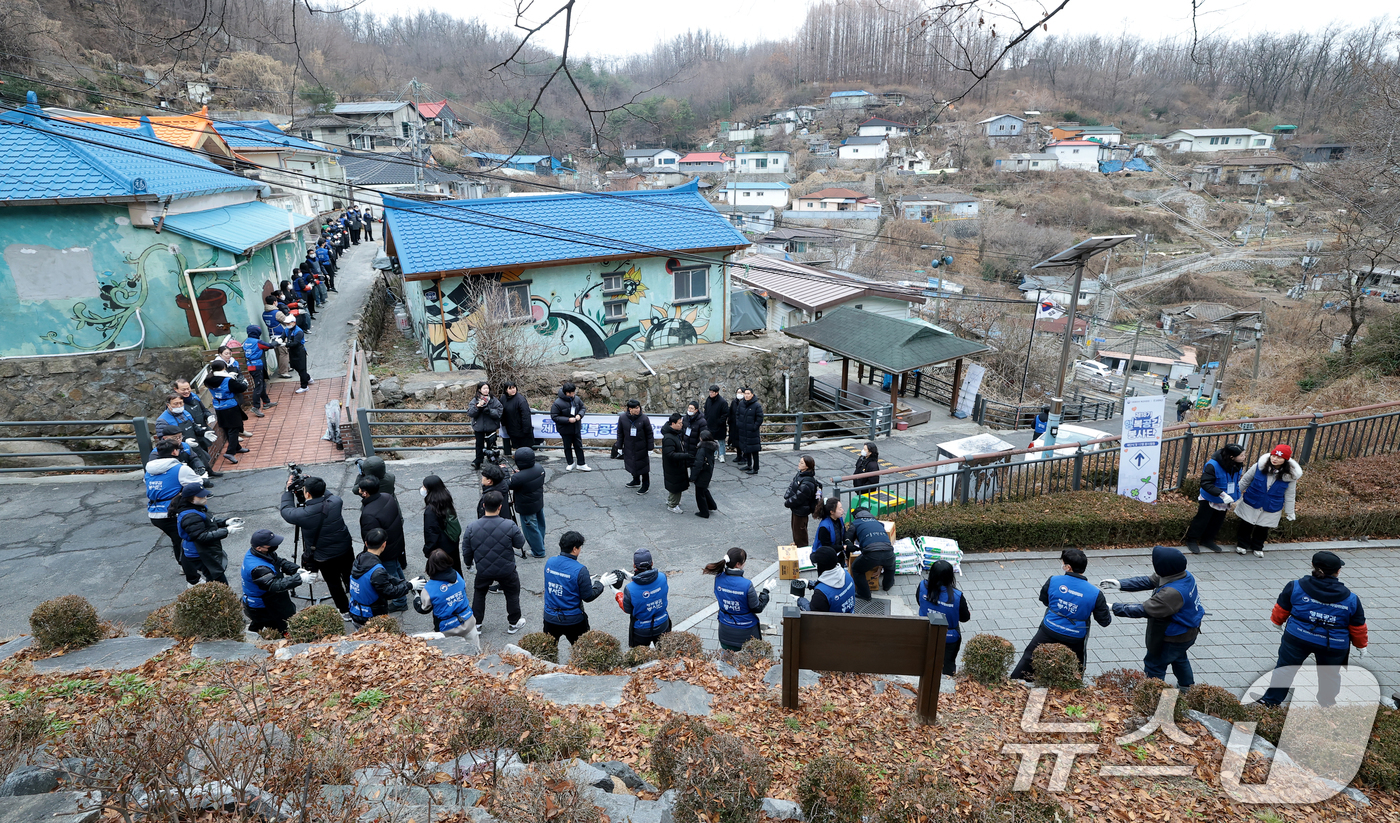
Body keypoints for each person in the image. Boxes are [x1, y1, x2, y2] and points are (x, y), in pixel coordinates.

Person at [1256, 551, 1368, 707]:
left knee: (1285, 669)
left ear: (1313, 567)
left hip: (1297, 637)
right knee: (1329, 676)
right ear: (1338, 572)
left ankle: (1270, 701)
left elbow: (1281, 609)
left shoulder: (1295, 586)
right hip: (1333, 644)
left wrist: (1277, 622)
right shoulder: (1351, 599)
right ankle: (1327, 705)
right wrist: (1361, 645)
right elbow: (1358, 627)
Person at [1101, 545, 1205, 688]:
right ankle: (1187, 687)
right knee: (1179, 657)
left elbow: (1144, 609)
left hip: (1173, 636)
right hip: (1187, 632)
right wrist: (1120, 584)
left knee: (1154, 665)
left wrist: (1112, 607)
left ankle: (1152, 695)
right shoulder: (1183, 575)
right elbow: (1150, 581)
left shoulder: (1171, 593)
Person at [1009, 549, 1112, 681]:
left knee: (1030, 657)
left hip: (1049, 630)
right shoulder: (1096, 593)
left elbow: (1044, 600)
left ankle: (1016, 683)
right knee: (1076, 667)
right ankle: (1072, 688)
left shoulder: (1053, 581)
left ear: (1068, 567)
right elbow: (1104, 621)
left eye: (1063, 563)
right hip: (1075, 637)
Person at [280, 476, 355, 618]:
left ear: (307, 494)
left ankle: (345, 611)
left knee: (333, 583)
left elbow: (286, 510)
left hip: (324, 557)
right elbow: (326, 494)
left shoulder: (303, 515)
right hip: (345, 549)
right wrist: (315, 483)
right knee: (350, 576)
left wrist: (288, 491)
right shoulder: (336, 502)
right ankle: (358, 602)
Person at [461, 490, 526, 633]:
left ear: (483, 505)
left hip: (483, 569)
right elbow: (520, 543)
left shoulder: (472, 527)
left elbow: (467, 549)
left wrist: (468, 564)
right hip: (506, 569)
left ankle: (476, 624)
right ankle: (514, 623)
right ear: (500, 507)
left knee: (479, 594)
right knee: (512, 593)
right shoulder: (509, 525)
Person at [1233, 444, 1303, 557]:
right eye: (1273, 456)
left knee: (1263, 527)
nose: (1275, 459)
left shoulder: (1290, 475)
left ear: (1285, 460)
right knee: (1246, 524)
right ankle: (1242, 544)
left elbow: (1290, 494)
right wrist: (1234, 496)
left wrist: (1290, 512)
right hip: (1253, 499)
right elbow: (1245, 481)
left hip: (1272, 505)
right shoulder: (1258, 466)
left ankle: (1258, 546)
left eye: (1279, 457)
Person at [543, 531, 611, 644]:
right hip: (573, 620)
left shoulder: (550, 562)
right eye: (579, 548)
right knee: (582, 652)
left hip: (550, 617)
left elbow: (560, 581)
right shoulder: (580, 570)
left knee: (547, 652)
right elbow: (588, 596)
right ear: (575, 549)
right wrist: (601, 584)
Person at [145, 440, 204, 565]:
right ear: (174, 452)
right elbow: (198, 484)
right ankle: (191, 577)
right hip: (172, 512)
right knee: (184, 542)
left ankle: (185, 567)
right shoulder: (181, 469)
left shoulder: (149, 470)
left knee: (177, 540)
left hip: (154, 513)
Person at [704, 547, 774, 651]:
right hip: (746, 632)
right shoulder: (746, 585)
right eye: (744, 562)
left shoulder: (718, 578)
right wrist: (766, 591)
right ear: (738, 564)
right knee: (750, 662)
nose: (744, 564)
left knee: (726, 661)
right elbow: (757, 608)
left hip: (725, 631)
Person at [241, 529, 309, 635]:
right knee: (282, 627)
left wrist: (295, 570)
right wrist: (299, 578)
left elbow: (279, 561)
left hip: (269, 600)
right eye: (270, 545)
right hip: (264, 605)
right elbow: (274, 585)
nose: (274, 546)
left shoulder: (262, 553)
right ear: (259, 547)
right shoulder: (257, 567)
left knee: (261, 624)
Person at [347, 528, 417, 628]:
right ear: (384, 545)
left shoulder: (359, 559)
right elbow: (390, 592)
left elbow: (383, 579)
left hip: (356, 610)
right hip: (372, 617)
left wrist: (403, 582)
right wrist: (410, 585)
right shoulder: (377, 570)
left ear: (366, 544)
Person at [1183, 443, 1245, 554]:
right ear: (1232, 457)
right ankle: (1192, 540)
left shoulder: (1237, 465)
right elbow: (1206, 483)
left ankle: (1207, 540)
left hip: (1226, 499)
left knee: (1217, 521)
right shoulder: (1212, 465)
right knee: (1202, 520)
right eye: (1241, 455)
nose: (1244, 457)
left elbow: (1235, 482)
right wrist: (1222, 494)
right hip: (1210, 497)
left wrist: (1236, 496)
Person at [172, 483, 236, 586]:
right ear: (191, 499)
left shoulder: (197, 507)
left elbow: (206, 523)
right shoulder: (190, 516)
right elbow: (201, 536)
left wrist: (225, 522)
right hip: (199, 553)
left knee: (214, 578)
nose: (205, 497)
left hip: (202, 551)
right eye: (201, 496)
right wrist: (226, 531)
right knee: (218, 581)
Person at [918, 560, 970, 675]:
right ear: (950, 576)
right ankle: (947, 679)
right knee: (948, 662)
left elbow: (919, 601)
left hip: (925, 630)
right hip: (948, 636)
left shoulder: (922, 586)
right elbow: (965, 618)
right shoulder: (957, 596)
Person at [414, 549, 477, 640]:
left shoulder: (429, 589)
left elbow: (424, 608)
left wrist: (416, 597)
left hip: (447, 628)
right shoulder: (457, 575)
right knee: (475, 651)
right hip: (468, 621)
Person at [622, 549, 671, 647]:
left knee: (642, 659)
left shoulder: (630, 588)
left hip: (641, 631)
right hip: (662, 625)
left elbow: (628, 610)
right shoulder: (662, 577)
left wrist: (618, 594)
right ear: (652, 563)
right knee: (665, 657)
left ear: (634, 565)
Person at [357, 475, 406, 571]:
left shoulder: (368, 514)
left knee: (392, 577)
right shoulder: (388, 497)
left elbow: (370, 539)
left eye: (360, 489)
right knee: (397, 568)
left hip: (385, 553)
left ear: (365, 493)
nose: (358, 490)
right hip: (396, 544)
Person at [507, 447, 547, 558]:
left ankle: (538, 551)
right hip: (538, 502)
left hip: (526, 507)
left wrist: (508, 474)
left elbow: (508, 484)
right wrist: (520, 474)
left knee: (531, 529)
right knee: (540, 524)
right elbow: (527, 476)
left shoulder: (518, 478)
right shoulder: (539, 468)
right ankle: (540, 543)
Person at [848, 507, 895, 600]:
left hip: (871, 554)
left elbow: (849, 540)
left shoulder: (855, 523)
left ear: (855, 516)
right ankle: (887, 585)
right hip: (889, 552)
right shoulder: (878, 523)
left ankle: (864, 594)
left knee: (856, 568)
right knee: (890, 566)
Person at [205, 369, 249, 464]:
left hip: (218, 407)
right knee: (234, 428)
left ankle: (237, 447)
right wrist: (244, 382)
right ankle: (230, 452)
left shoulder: (208, 380)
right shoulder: (227, 380)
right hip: (230, 406)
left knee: (226, 428)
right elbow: (241, 388)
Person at [421, 475, 462, 572]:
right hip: (452, 542)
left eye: (424, 487)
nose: (423, 489)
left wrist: (427, 550)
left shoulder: (430, 510)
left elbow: (431, 533)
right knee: (455, 568)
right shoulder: (445, 499)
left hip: (441, 548)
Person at [797, 546, 855, 614]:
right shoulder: (846, 574)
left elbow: (813, 613)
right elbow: (831, 585)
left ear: (821, 566)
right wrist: (809, 584)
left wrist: (800, 600)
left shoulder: (820, 595)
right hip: (850, 617)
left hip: (831, 623)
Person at [610, 400, 652, 494]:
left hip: (642, 447)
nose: (638, 410)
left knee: (643, 466)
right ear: (630, 409)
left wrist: (650, 448)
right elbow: (620, 433)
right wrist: (619, 446)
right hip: (629, 446)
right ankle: (636, 480)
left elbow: (649, 434)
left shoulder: (644, 418)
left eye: (638, 407)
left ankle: (645, 485)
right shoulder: (623, 418)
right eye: (636, 408)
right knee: (632, 463)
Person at [550, 382, 590, 471]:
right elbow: (554, 416)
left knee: (579, 446)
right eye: (572, 392)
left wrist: (580, 415)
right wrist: (568, 420)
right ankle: (570, 462)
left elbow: (583, 408)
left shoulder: (576, 399)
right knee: (567, 447)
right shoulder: (557, 403)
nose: (574, 393)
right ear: (567, 393)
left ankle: (581, 463)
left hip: (576, 428)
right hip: (565, 429)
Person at [782, 455, 820, 547]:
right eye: (800, 462)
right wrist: (787, 495)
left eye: (802, 463)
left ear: (807, 466)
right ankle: (797, 543)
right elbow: (792, 484)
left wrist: (788, 502)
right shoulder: (800, 474)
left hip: (801, 510)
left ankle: (802, 548)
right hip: (796, 509)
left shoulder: (807, 482)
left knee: (800, 531)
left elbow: (800, 497)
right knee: (796, 529)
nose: (799, 464)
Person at [241, 326, 277, 417]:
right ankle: (255, 407)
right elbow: (270, 346)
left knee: (261, 384)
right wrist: (277, 341)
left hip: (251, 366)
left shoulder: (246, 342)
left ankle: (266, 402)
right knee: (258, 386)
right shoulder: (257, 342)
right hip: (257, 366)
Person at [467, 381, 504, 470]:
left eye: (487, 388)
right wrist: (477, 407)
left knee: (491, 443)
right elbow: (470, 413)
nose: (486, 390)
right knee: (479, 444)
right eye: (484, 388)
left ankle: (493, 457)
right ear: (479, 390)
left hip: (491, 426)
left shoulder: (493, 400)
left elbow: (499, 411)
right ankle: (478, 460)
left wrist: (490, 411)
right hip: (479, 426)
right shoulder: (475, 400)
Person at [661, 413, 692, 514]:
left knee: (674, 485)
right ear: (673, 424)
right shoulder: (669, 438)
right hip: (674, 466)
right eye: (679, 423)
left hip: (677, 465)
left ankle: (671, 500)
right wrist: (685, 456)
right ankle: (673, 505)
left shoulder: (676, 434)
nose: (681, 425)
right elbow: (670, 454)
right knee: (676, 486)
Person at [732, 387, 764, 474]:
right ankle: (749, 465)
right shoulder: (741, 404)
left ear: (752, 395)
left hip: (752, 432)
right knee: (746, 449)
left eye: (748, 394)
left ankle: (755, 468)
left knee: (754, 450)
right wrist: (739, 424)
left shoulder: (756, 405)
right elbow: (737, 414)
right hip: (743, 431)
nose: (746, 395)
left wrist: (754, 427)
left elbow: (760, 418)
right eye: (745, 393)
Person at [500, 382, 533, 455]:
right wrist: (503, 423)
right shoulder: (503, 398)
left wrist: (526, 430)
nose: (513, 390)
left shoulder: (520, 399)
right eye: (510, 388)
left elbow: (526, 415)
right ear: (506, 390)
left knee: (524, 450)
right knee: (517, 447)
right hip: (511, 428)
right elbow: (501, 412)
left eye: (514, 388)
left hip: (521, 429)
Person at [691, 429, 719, 518]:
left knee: (699, 493)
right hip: (708, 472)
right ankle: (711, 505)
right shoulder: (711, 447)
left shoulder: (702, 449)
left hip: (702, 474)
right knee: (704, 489)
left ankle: (704, 512)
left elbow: (698, 464)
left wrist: (692, 477)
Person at [280, 319, 311, 393]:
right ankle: (308, 378)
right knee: (295, 366)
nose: (287, 325)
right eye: (286, 323)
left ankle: (304, 386)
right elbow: (283, 336)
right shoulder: (287, 330)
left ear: (294, 323)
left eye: (288, 323)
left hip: (299, 351)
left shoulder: (299, 331)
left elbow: (296, 343)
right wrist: (279, 340)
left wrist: (285, 344)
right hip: (292, 351)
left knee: (302, 369)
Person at [703, 385, 729, 463]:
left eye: (712, 392)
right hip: (710, 423)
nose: (710, 394)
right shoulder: (708, 400)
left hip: (719, 425)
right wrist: (706, 418)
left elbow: (725, 414)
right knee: (712, 440)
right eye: (710, 392)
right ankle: (714, 453)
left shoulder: (722, 402)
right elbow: (706, 410)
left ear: (716, 393)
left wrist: (719, 421)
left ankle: (721, 455)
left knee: (721, 441)